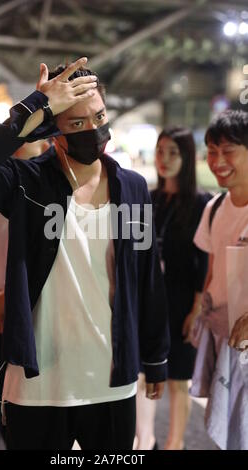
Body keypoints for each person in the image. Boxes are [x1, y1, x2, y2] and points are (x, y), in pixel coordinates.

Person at [0, 57, 170, 450]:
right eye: (78, 123)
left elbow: (148, 278)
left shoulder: (133, 188)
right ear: (54, 131)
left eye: (100, 117)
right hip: (38, 387)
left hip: (111, 383)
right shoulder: (26, 182)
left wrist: (155, 358)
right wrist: (34, 106)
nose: (95, 131)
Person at [134, 127, 211, 451]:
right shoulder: (149, 198)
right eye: (159, 151)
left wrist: (196, 310)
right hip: (148, 301)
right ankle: (144, 440)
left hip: (182, 303)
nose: (163, 159)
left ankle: (174, 444)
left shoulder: (200, 203)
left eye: (173, 152)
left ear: (187, 157)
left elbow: (205, 261)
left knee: (179, 380)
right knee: (140, 376)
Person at [0, 140, 49, 435]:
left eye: (28, 136)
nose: (17, 143)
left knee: (38, 418)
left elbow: (55, 266)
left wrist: (4, 300)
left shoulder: (49, 198)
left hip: (36, 320)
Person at [192, 110, 248, 450]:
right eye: (212, 151)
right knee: (228, 429)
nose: (217, 161)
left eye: (228, 150)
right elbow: (212, 271)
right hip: (222, 340)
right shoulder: (214, 207)